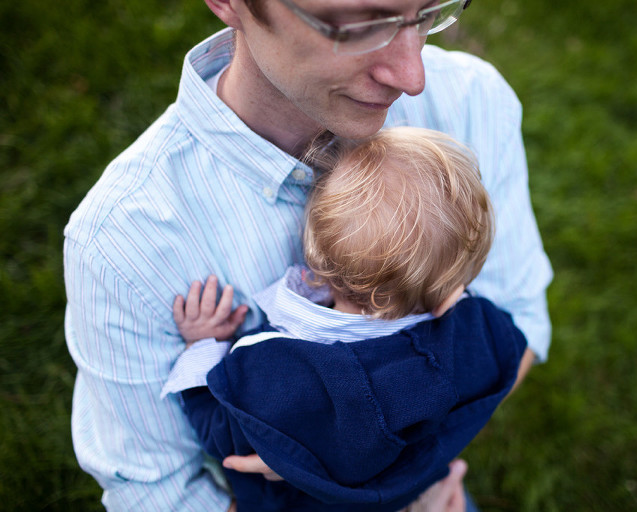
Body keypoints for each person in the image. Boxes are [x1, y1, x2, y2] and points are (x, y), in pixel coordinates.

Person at [64, 0, 553, 509]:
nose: (413, 76)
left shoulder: (474, 98)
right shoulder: (119, 243)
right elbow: (157, 490)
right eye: (360, 25)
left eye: (429, 12)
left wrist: (409, 473)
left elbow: (522, 322)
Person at [161, 127, 529, 511]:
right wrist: (454, 301)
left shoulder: (278, 372)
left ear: (316, 256)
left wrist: (201, 346)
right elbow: (508, 343)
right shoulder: (471, 342)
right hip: (424, 496)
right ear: (448, 286)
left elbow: (222, 434)